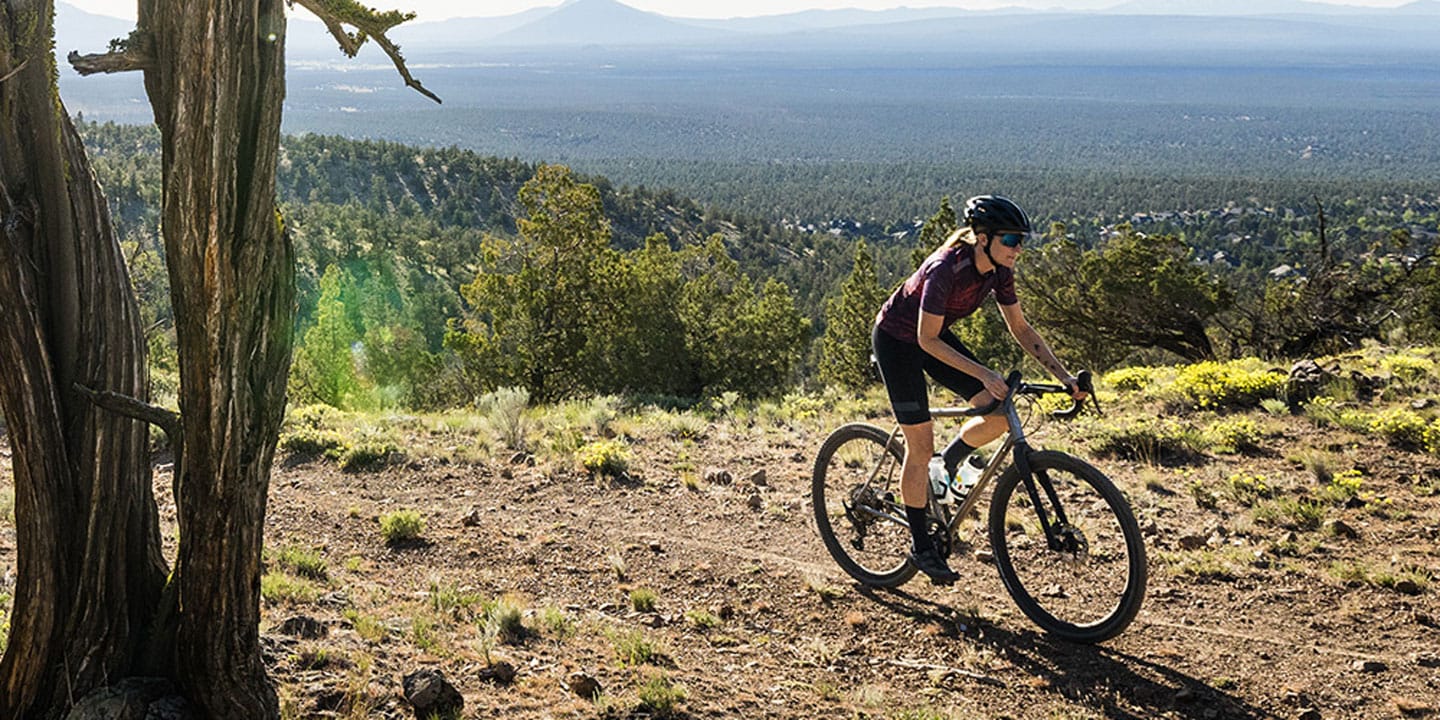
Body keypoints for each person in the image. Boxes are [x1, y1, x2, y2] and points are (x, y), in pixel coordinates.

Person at [872, 195, 1087, 584]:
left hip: (933, 337)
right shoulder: (945, 269)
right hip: (899, 341)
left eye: (1021, 240)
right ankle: (921, 547)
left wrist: (1064, 377)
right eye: (1010, 240)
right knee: (920, 445)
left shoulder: (999, 270)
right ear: (983, 238)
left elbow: (1021, 329)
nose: (1018, 249)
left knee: (998, 412)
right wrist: (986, 373)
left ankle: (947, 465)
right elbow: (926, 340)